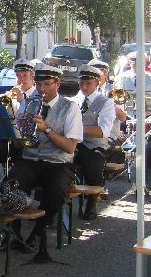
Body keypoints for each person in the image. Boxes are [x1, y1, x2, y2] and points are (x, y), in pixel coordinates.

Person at [6, 64, 83, 263]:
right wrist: (17, 129)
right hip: (31, 159)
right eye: (39, 84)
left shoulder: (70, 107)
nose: (41, 90)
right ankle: (14, 233)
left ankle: (37, 233)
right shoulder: (29, 102)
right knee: (9, 183)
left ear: (57, 84)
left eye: (47, 84)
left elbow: (70, 147)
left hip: (58, 162)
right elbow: (21, 140)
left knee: (55, 191)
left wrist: (46, 129)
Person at [72, 65, 115, 220]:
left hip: (95, 145)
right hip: (75, 143)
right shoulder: (74, 100)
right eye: (81, 82)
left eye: (88, 83)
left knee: (93, 163)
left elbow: (103, 131)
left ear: (97, 83)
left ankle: (92, 201)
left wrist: (76, 128)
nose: (84, 86)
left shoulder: (106, 102)